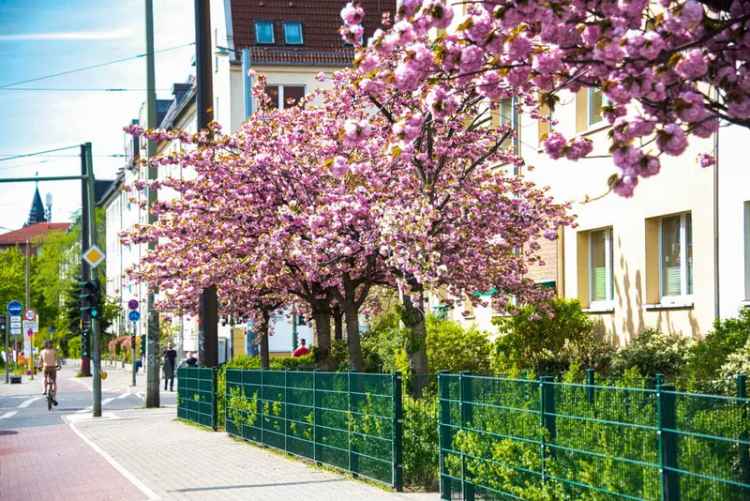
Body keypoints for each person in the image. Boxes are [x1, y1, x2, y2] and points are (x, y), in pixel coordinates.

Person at [37, 340, 59, 406]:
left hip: (45, 367)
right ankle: (54, 397)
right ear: (51, 344)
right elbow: (57, 359)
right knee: (54, 382)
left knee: (44, 377)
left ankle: (44, 390)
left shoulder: (42, 352)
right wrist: (59, 365)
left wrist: (39, 366)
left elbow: (40, 361)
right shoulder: (54, 351)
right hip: (53, 367)